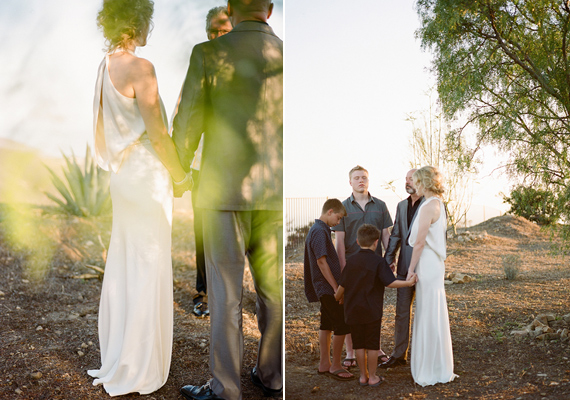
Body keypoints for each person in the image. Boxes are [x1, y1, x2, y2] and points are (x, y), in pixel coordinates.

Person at [172, 1, 283, 399]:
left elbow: (188, 119)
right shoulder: (287, 54)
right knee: (272, 292)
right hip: (276, 194)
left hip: (222, 192)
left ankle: (226, 389)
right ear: (269, 9)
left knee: (225, 292)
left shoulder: (209, 53)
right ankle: (272, 376)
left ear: (232, 9)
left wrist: (180, 171)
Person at [88, 0, 191, 396]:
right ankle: (140, 366)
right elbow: (159, 134)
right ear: (137, 20)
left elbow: (102, 131)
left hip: (122, 177)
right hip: (147, 175)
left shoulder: (104, 67)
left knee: (125, 266)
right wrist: (181, 176)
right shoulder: (141, 68)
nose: (151, 29)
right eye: (149, 20)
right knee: (148, 268)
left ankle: (120, 354)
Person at [187, 6, 233, 319]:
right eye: (213, 32)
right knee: (203, 233)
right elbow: (186, 112)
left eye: (223, 30)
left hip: (236, 170)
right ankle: (203, 293)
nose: (217, 37)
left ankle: (230, 295)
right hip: (202, 168)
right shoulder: (201, 63)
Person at [335, 224, 416, 387]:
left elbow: (342, 287)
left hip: (353, 311)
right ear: (376, 242)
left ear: (357, 241)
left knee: (359, 344)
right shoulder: (379, 262)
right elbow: (390, 282)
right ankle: (373, 377)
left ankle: (362, 377)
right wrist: (408, 283)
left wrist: (338, 297)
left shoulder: (351, 262)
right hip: (372, 311)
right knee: (372, 345)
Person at [332, 165, 393, 367]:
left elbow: (386, 236)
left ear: (368, 180)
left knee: (375, 308)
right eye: (357, 178)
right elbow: (339, 241)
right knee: (352, 310)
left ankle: (376, 348)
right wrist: (342, 270)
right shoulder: (342, 208)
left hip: (375, 267)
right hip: (352, 266)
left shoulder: (381, 206)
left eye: (364, 177)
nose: (361, 181)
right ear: (350, 182)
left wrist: (390, 260)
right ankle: (350, 351)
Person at [407, 166, 458, 386]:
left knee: (428, 312)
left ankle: (429, 369)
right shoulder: (437, 203)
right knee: (432, 311)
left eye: (417, 181)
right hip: (433, 263)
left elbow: (419, 242)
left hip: (427, 263)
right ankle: (438, 365)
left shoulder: (429, 205)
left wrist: (410, 269)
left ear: (425, 182)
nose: (415, 185)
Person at [304, 199, 355, 382]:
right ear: (330, 211)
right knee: (342, 324)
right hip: (326, 287)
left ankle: (324, 364)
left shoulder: (321, 229)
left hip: (324, 286)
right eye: (338, 218)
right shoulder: (319, 232)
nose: (338, 222)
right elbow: (321, 261)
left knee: (326, 323)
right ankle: (336, 365)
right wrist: (336, 288)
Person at [380, 169, 424, 369]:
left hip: (426, 268)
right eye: (406, 179)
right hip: (405, 268)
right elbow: (396, 234)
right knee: (401, 312)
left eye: (411, 178)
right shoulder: (401, 205)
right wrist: (388, 259)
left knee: (425, 312)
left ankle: (424, 355)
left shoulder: (432, 203)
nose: (407, 182)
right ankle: (399, 355)